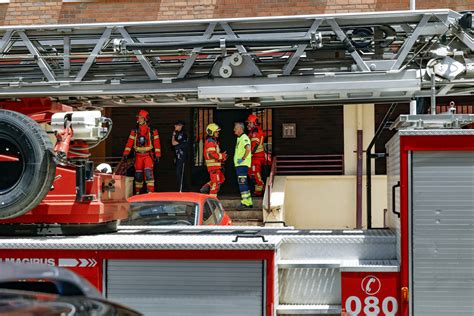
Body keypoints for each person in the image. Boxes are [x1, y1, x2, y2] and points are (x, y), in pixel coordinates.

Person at [123, 109, 161, 195]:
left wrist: (158, 155)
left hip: (148, 155)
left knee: (148, 173)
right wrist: (125, 154)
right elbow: (129, 142)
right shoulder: (134, 131)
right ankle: (137, 193)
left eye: (141, 118)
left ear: (145, 119)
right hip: (138, 155)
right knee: (138, 175)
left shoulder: (153, 131)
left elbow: (157, 143)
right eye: (138, 118)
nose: (138, 119)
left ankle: (150, 192)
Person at [200, 123, 227, 197]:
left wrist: (222, 157)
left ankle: (206, 187)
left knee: (221, 179)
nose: (218, 133)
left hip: (216, 167)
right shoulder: (210, 142)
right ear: (211, 132)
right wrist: (222, 156)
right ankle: (213, 200)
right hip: (213, 167)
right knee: (215, 184)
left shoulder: (213, 141)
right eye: (216, 132)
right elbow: (212, 154)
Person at [233, 122, 253, 209]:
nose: (234, 129)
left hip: (242, 165)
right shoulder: (240, 138)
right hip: (241, 165)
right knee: (243, 183)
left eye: (235, 128)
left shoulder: (244, 138)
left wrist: (243, 159)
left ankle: (245, 202)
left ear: (240, 129)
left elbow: (248, 148)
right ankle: (248, 201)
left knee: (242, 183)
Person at [246, 114, 265, 197]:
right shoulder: (254, 130)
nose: (248, 125)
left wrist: (250, 154)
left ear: (253, 122)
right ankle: (258, 189)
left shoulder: (256, 131)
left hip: (256, 156)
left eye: (249, 123)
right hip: (254, 157)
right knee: (251, 173)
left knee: (255, 172)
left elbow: (255, 144)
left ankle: (261, 188)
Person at [172, 120, 188, 191]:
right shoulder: (177, 134)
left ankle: (183, 189)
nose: (175, 126)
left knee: (179, 172)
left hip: (182, 156)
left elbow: (174, 143)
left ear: (181, 126)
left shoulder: (183, 134)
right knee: (178, 173)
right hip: (178, 156)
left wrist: (173, 135)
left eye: (176, 125)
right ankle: (182, 189)